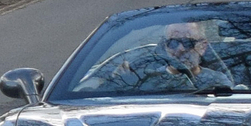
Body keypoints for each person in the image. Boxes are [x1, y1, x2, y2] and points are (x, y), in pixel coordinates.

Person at [100, 20, 240, 92]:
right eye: (173, 43)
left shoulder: (217, 80)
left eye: (187, 42)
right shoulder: (146, 80)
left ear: (202, 46)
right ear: (166, 46)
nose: (180, 49)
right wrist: (120, 81)